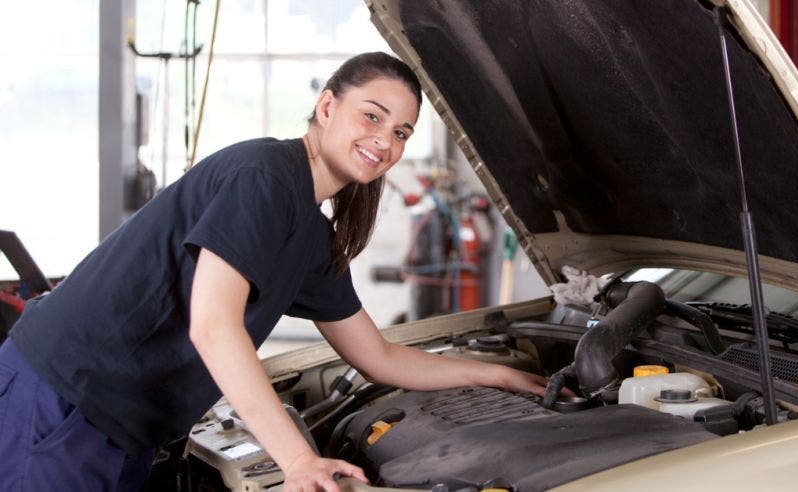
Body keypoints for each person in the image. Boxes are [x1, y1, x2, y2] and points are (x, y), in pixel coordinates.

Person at [0, 52, 550, 492]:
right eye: (372, 115)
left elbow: (377, 356)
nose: (385, 141)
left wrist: (498, 375)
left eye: (402, 132)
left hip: (128, 429)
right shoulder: (263, 176)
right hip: (63, 402)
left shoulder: (311, 235)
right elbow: (213, 325)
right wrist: (298, 460)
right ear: (327, 106)